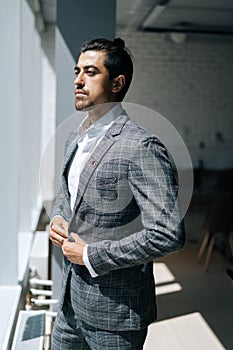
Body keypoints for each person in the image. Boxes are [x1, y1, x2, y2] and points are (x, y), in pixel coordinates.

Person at [49, 37, 185, 350]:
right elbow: (67, 192)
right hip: (70, 305)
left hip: (115, 317)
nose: (78, 80)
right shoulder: (76, 135)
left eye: (91, 72)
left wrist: (90, 255)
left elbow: (168, 234)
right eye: (77, 71)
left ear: (117, 83)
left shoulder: (141, 147)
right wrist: (59, 214)